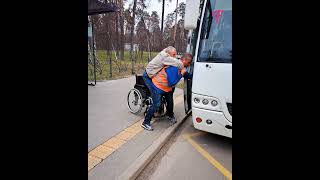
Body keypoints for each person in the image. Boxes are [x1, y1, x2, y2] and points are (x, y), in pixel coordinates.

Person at [141, 53, 193, 131]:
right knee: (156, 104)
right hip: (158, 86)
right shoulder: (174, 67)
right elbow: (172, 83)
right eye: (188, 63)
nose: (188, 65)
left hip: (167, 88)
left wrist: (194, 76)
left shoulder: (180, 66)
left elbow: (187, 75)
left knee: (170, 102)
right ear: (183, 60)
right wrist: (182, 73)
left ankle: (170, 115)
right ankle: (145, 123)